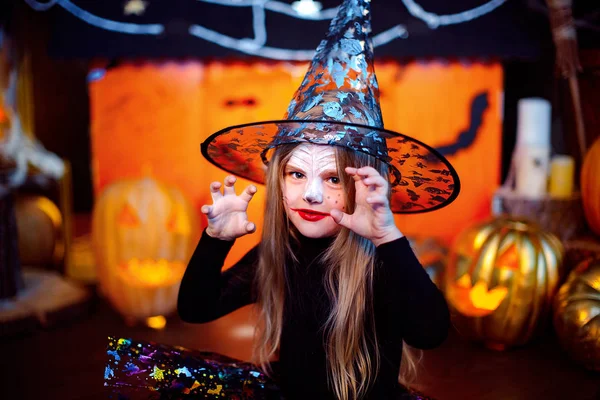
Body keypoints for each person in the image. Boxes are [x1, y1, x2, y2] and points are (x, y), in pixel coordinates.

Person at [105, 0, 460, 398]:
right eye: (296, 174)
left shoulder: (376, 263)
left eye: (332, 178)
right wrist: (216, 241)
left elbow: (430, 332)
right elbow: (195, 308)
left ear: (361, 185)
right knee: (145, 371)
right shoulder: (278, 253)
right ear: (279, 180)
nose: (309, 193)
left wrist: (387, 238)